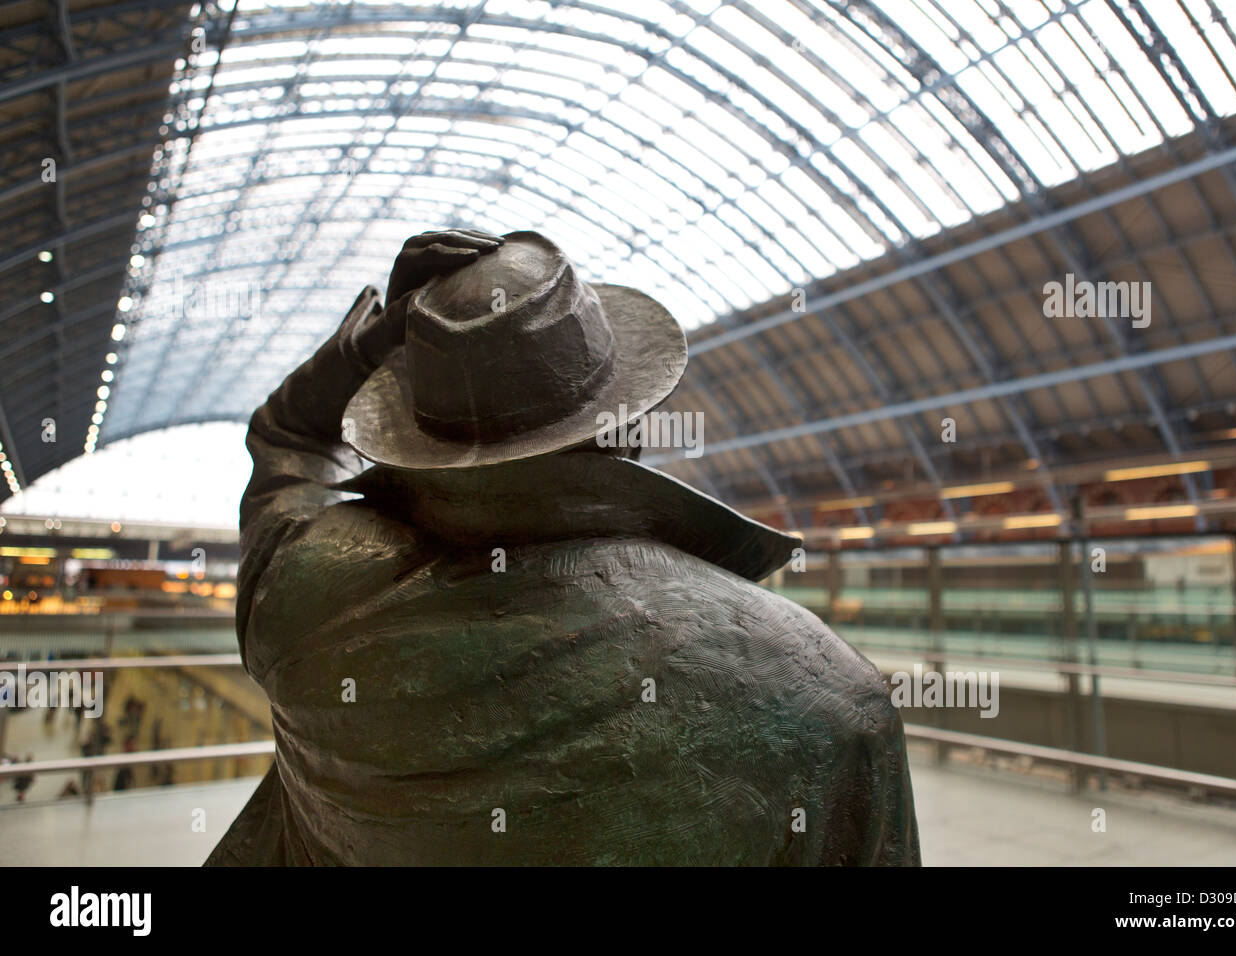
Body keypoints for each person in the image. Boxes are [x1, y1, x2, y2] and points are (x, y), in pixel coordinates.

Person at [206, 229, 919, 865]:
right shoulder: (830, 700)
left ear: (419, 442)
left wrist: (370, 343)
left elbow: (290, 437)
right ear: (631, 424)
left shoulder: (306, 590)